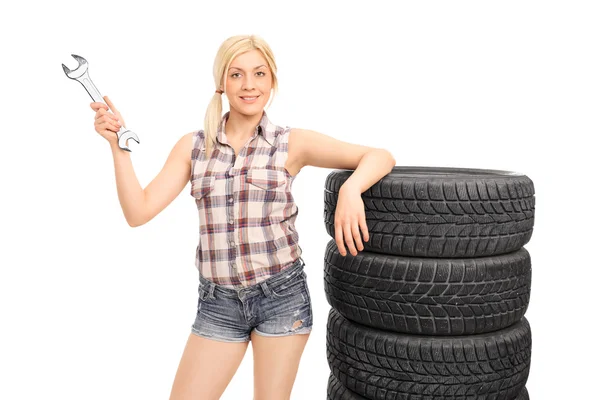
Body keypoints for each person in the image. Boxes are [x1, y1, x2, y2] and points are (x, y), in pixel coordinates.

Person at [90, 34, 395, 400]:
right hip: (218, 304)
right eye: (236, 75)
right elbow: (138, 212)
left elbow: (379, 156)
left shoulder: (290, 142)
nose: (249, 85)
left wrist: (349, 190)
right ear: (221, 82)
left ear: (272, 82)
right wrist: (117, 149)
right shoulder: (194, 147)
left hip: (281, 298)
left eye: (259, 74)